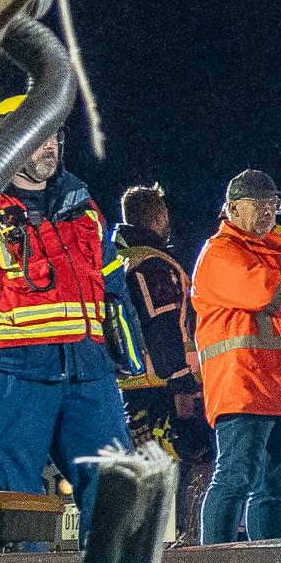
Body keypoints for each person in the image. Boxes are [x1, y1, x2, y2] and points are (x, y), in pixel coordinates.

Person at [0, 98, 127, 495]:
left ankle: (113, 560)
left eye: (53, 137)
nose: (50, 146)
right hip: (14, 369)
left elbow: (114, 289)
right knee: (11, 490)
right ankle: (21, 561)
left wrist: (125, 354)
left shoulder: (85, 209)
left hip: (89, 369)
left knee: (116, 485)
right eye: (37, 138)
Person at [191, 169, 281, 542]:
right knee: (236, 477)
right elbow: (266, 290)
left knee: (274, 489)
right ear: (233, 209)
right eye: (262, 203)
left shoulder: (278, 254)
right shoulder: (220, 253)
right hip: (246, 388)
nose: (271, 210)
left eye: (275, 203)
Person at [105, 184, 197, 467]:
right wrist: (183, 385)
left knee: (140, 477)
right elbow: (163, 323)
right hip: (161, 386)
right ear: (158, 218)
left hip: (128, 383)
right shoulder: (152, 263)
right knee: (167, 476)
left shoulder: (115, 259)